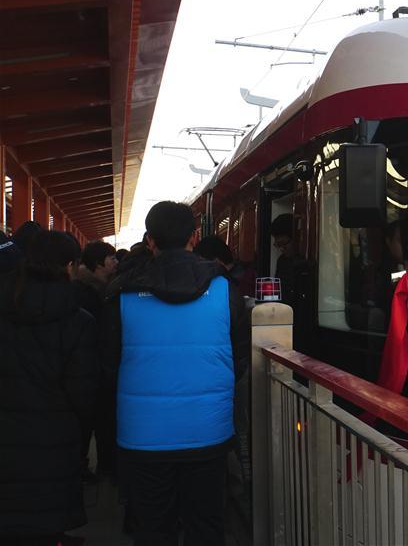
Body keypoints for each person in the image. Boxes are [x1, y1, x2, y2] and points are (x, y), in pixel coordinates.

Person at [102, 201, 250, 546]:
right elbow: (238, 359)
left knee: (153, 528)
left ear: (150, 240)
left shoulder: (121, 292)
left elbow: (108, 363)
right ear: (194, 237)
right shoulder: (225, 289)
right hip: (208, 433)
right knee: (206, 526)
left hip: (142, 436)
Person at [0, 231, 99, 545]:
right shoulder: (78, 320)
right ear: (69, 266)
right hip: (53, 440)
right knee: (44, 524)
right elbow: (84, 394)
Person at [73, 241, 118, 481]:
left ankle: (97, 465)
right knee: (94, 420)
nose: (116, 263)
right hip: (90, 369)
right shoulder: (91, 293)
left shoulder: (97, 288)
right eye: (112, 259)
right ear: (100, 263)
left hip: (93, 368)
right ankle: (97, 466)